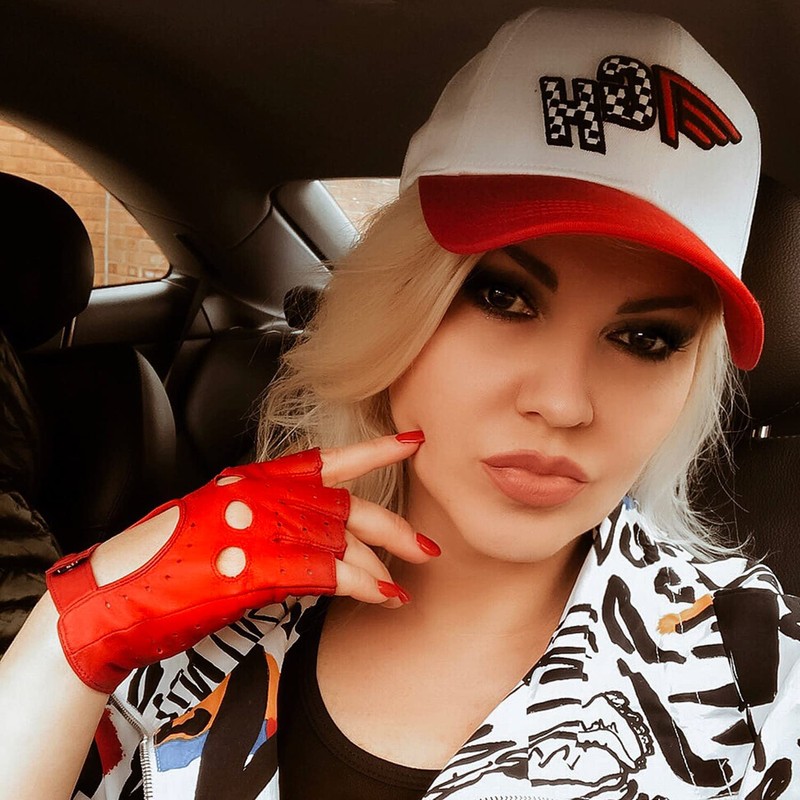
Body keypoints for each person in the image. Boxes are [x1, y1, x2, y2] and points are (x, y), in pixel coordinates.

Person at [1, 7, 798, 800]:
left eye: (648, 339)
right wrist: (67, 637)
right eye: (502, 297)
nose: (562, 403)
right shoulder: (195, 620)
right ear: (396, 300)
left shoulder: (762, 681)